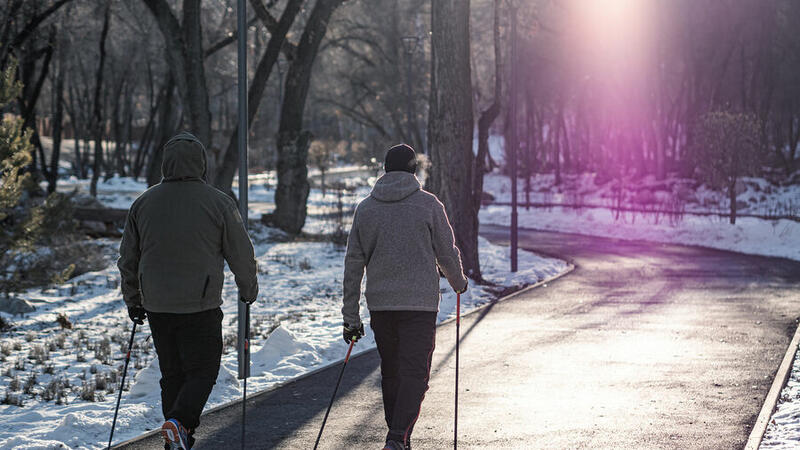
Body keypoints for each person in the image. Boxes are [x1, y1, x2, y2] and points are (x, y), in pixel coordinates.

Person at [118, 132, 258, 450]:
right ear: (201, 163)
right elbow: (241, 253)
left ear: (166, 163)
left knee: (172, 373)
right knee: (204, 369)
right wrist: (247, 289)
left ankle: (177, 438)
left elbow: (127, 257)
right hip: (201, 304)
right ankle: (180, 423)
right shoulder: (219, 202)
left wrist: (133, 299)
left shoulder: (143, 203)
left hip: (156, 304)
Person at [341, 144, 468, 450]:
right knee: (415, 373)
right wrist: (458, 281)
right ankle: (398, 436)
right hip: (419, 305)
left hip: (381, 305)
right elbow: (446, 251)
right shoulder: (428, 205)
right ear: (414, 170)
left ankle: (398, 436)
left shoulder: (366, 208)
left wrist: (351, 317)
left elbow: (353, 264)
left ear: (385, 169)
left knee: (392, 371)